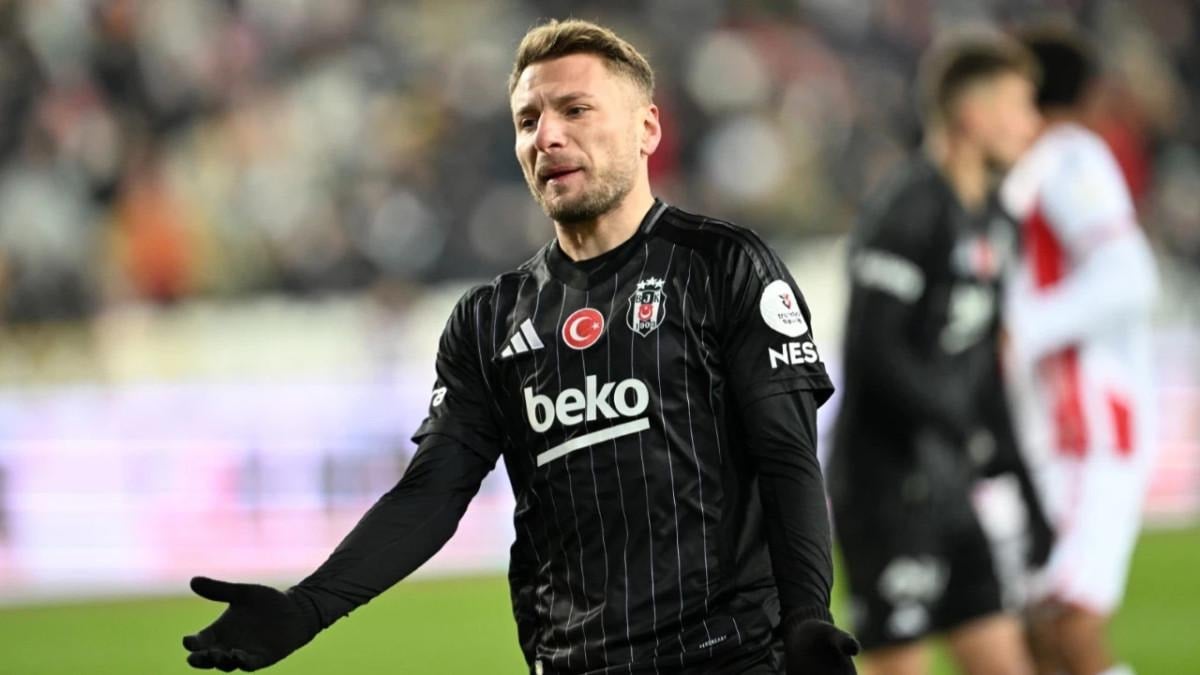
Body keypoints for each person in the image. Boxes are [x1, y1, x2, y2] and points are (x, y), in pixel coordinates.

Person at [182, 19, 858, 675]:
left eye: (575, 109)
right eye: (528, 120)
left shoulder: (723, 266)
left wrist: (806, 616)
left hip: (730, 657)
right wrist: (306, 608)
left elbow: (787, 455)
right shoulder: (489, 321)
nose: (548, 136)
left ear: (647, 128)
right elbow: (432, 493)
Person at [828, 32, 1043, 675]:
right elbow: (873, 350)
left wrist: (1023, 482)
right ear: (973, 116)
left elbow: (983, 365)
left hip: (951, 485)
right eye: (1019, 106)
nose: (1032, 124)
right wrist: (962, 425)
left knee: (1006, 661)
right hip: (886, 487)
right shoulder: (906, 211)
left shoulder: (998, 221)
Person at [1001, 27, 1158, 675]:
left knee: (1067, 625)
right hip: (1046, 430)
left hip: (1089, 425)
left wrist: (1019, 330)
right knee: (1033, 635)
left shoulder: (1070, 157)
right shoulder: (1028, 165)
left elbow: (1129, 277)